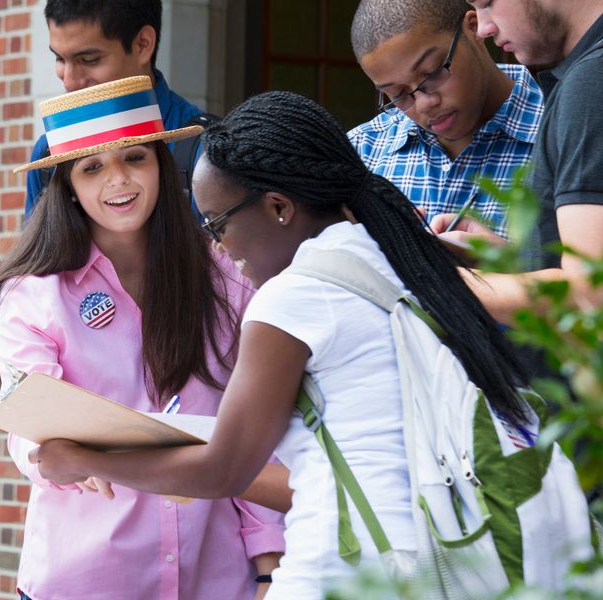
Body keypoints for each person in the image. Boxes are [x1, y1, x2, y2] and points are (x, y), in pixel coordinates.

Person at [30, 91, 535, 597]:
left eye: (218, 224)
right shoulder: (397, 257)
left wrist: (85, 460)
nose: (220, 247)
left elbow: (223, 470)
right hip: (442, 555)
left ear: (277, 208)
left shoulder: (295, 297)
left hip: (349, 568)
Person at [0, 76, 286, 600]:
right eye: (92, 167)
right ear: (68, 186)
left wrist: (268, 568)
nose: (118, 180)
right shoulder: (32, 297)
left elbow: (260, 437)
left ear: (163, 167)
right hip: (86, 580)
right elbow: (32, 433)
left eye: (135, 158)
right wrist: (53, 454)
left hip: (216, 579)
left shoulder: (229, 280)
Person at [443, 0, 603, 323]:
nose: (484, 29)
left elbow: (591, 293)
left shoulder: (591, 83)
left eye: (487, 3)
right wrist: (510, 259)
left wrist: (431, 281)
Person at [349, 0, 543, 237]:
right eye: (398, 95)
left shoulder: (565, 133)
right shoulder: (361, 154)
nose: (424, 103)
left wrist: (508, 272)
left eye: (433, 73)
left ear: (473, 28)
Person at [25, 0, 213, 221]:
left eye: (89, 60)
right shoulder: (48, 155)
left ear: (143, 44)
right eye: (59, 58)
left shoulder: (205, 151)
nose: (69, 80)